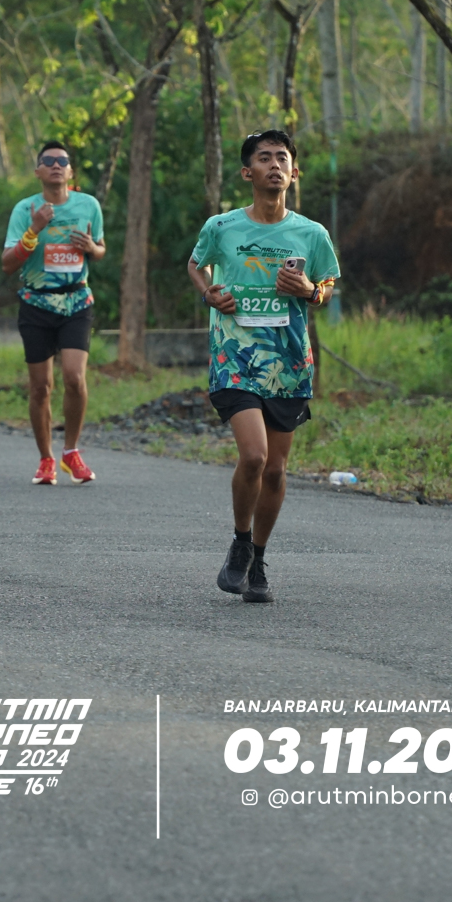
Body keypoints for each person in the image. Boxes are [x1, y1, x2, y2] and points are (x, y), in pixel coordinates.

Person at [187, 130, 340, 604]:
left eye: (283, 158)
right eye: (264, 158)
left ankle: (257, 556)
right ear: (246, 172)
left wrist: (309, 291)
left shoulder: (312, 233)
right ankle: (239, 541)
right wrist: (209, 293)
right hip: (234, 357)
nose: (275, 165)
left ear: (294, 172)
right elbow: (196, 264)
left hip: (288, 363)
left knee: (275, 470)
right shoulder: (222, 226)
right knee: (253, 457)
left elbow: (327, 285)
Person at [1, 141, 107, 485]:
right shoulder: (25, 209)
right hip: (36, 303)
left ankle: (71, 451)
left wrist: (91, 248)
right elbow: (7, 264)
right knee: (41, 387)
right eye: (48, 160)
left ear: (71, 171)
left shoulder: (88, 205)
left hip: (76, 301)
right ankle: (46, 458)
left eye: (63, 160)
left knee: (74, 378)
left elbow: (100, 250)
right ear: (38, 171)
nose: (56, 165)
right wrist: (34, 229)